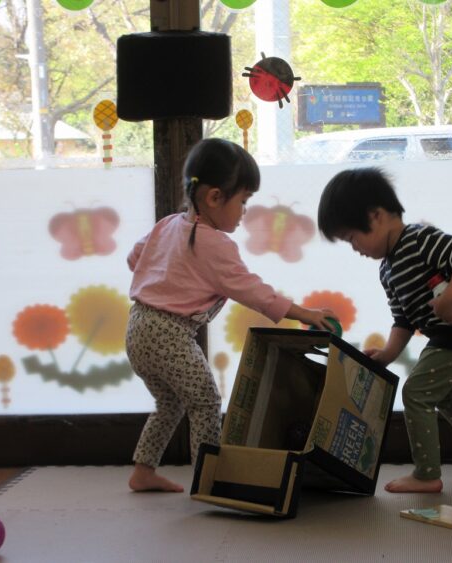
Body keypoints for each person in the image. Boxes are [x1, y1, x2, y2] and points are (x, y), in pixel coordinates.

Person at [126, 138, 336, 493]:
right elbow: (252, 290)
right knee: (206, 401)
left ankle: (143, 471)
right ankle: (207, 477)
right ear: (214, 197)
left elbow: (134, 258)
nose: (244, 212)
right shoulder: (214, 244)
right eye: (243, 201)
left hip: (137, 327)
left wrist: (167, 276)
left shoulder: (168, 224)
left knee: (170, 402)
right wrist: (304, 312)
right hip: (168, 333)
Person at [317, 167, 452, 493]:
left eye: (352, 238)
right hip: (446, 336)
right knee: (440, 391)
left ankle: (427, 474)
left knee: (416, 392)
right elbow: (403, 319)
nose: (355, 248)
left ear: (375, 216)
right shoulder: (387, 270)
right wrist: (388, 354)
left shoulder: (420, 240)